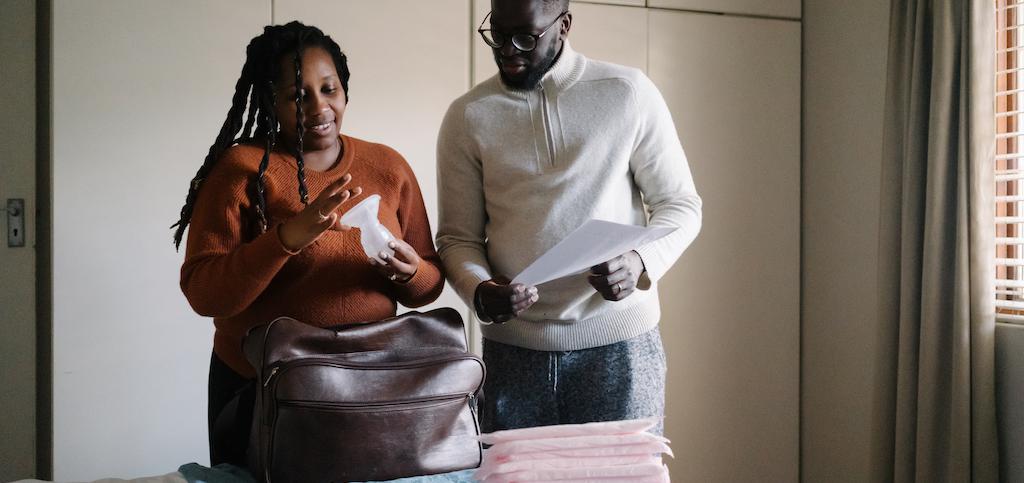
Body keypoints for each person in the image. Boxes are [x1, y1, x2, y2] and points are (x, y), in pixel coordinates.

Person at [172, 21, 445, 466]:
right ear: (270, 101)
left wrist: (410, 271)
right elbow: (204, 293)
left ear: (345, 90)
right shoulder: (241, 171)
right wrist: (288, 237)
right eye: (298, 96)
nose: (319, 107)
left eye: (329, 89)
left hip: (369, 385)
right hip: (261, 390)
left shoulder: (388, 166)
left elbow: (429, 286)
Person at [436, 0, 702, 435]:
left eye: (526, 37)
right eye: (497, 36)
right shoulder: (467, 117)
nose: (508, 51)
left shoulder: (627, 92)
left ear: (564, 25)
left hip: (621, 348)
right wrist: (481, 292)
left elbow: (681, 204)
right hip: (513, 355)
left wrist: (639, 263)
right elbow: (456, 239)